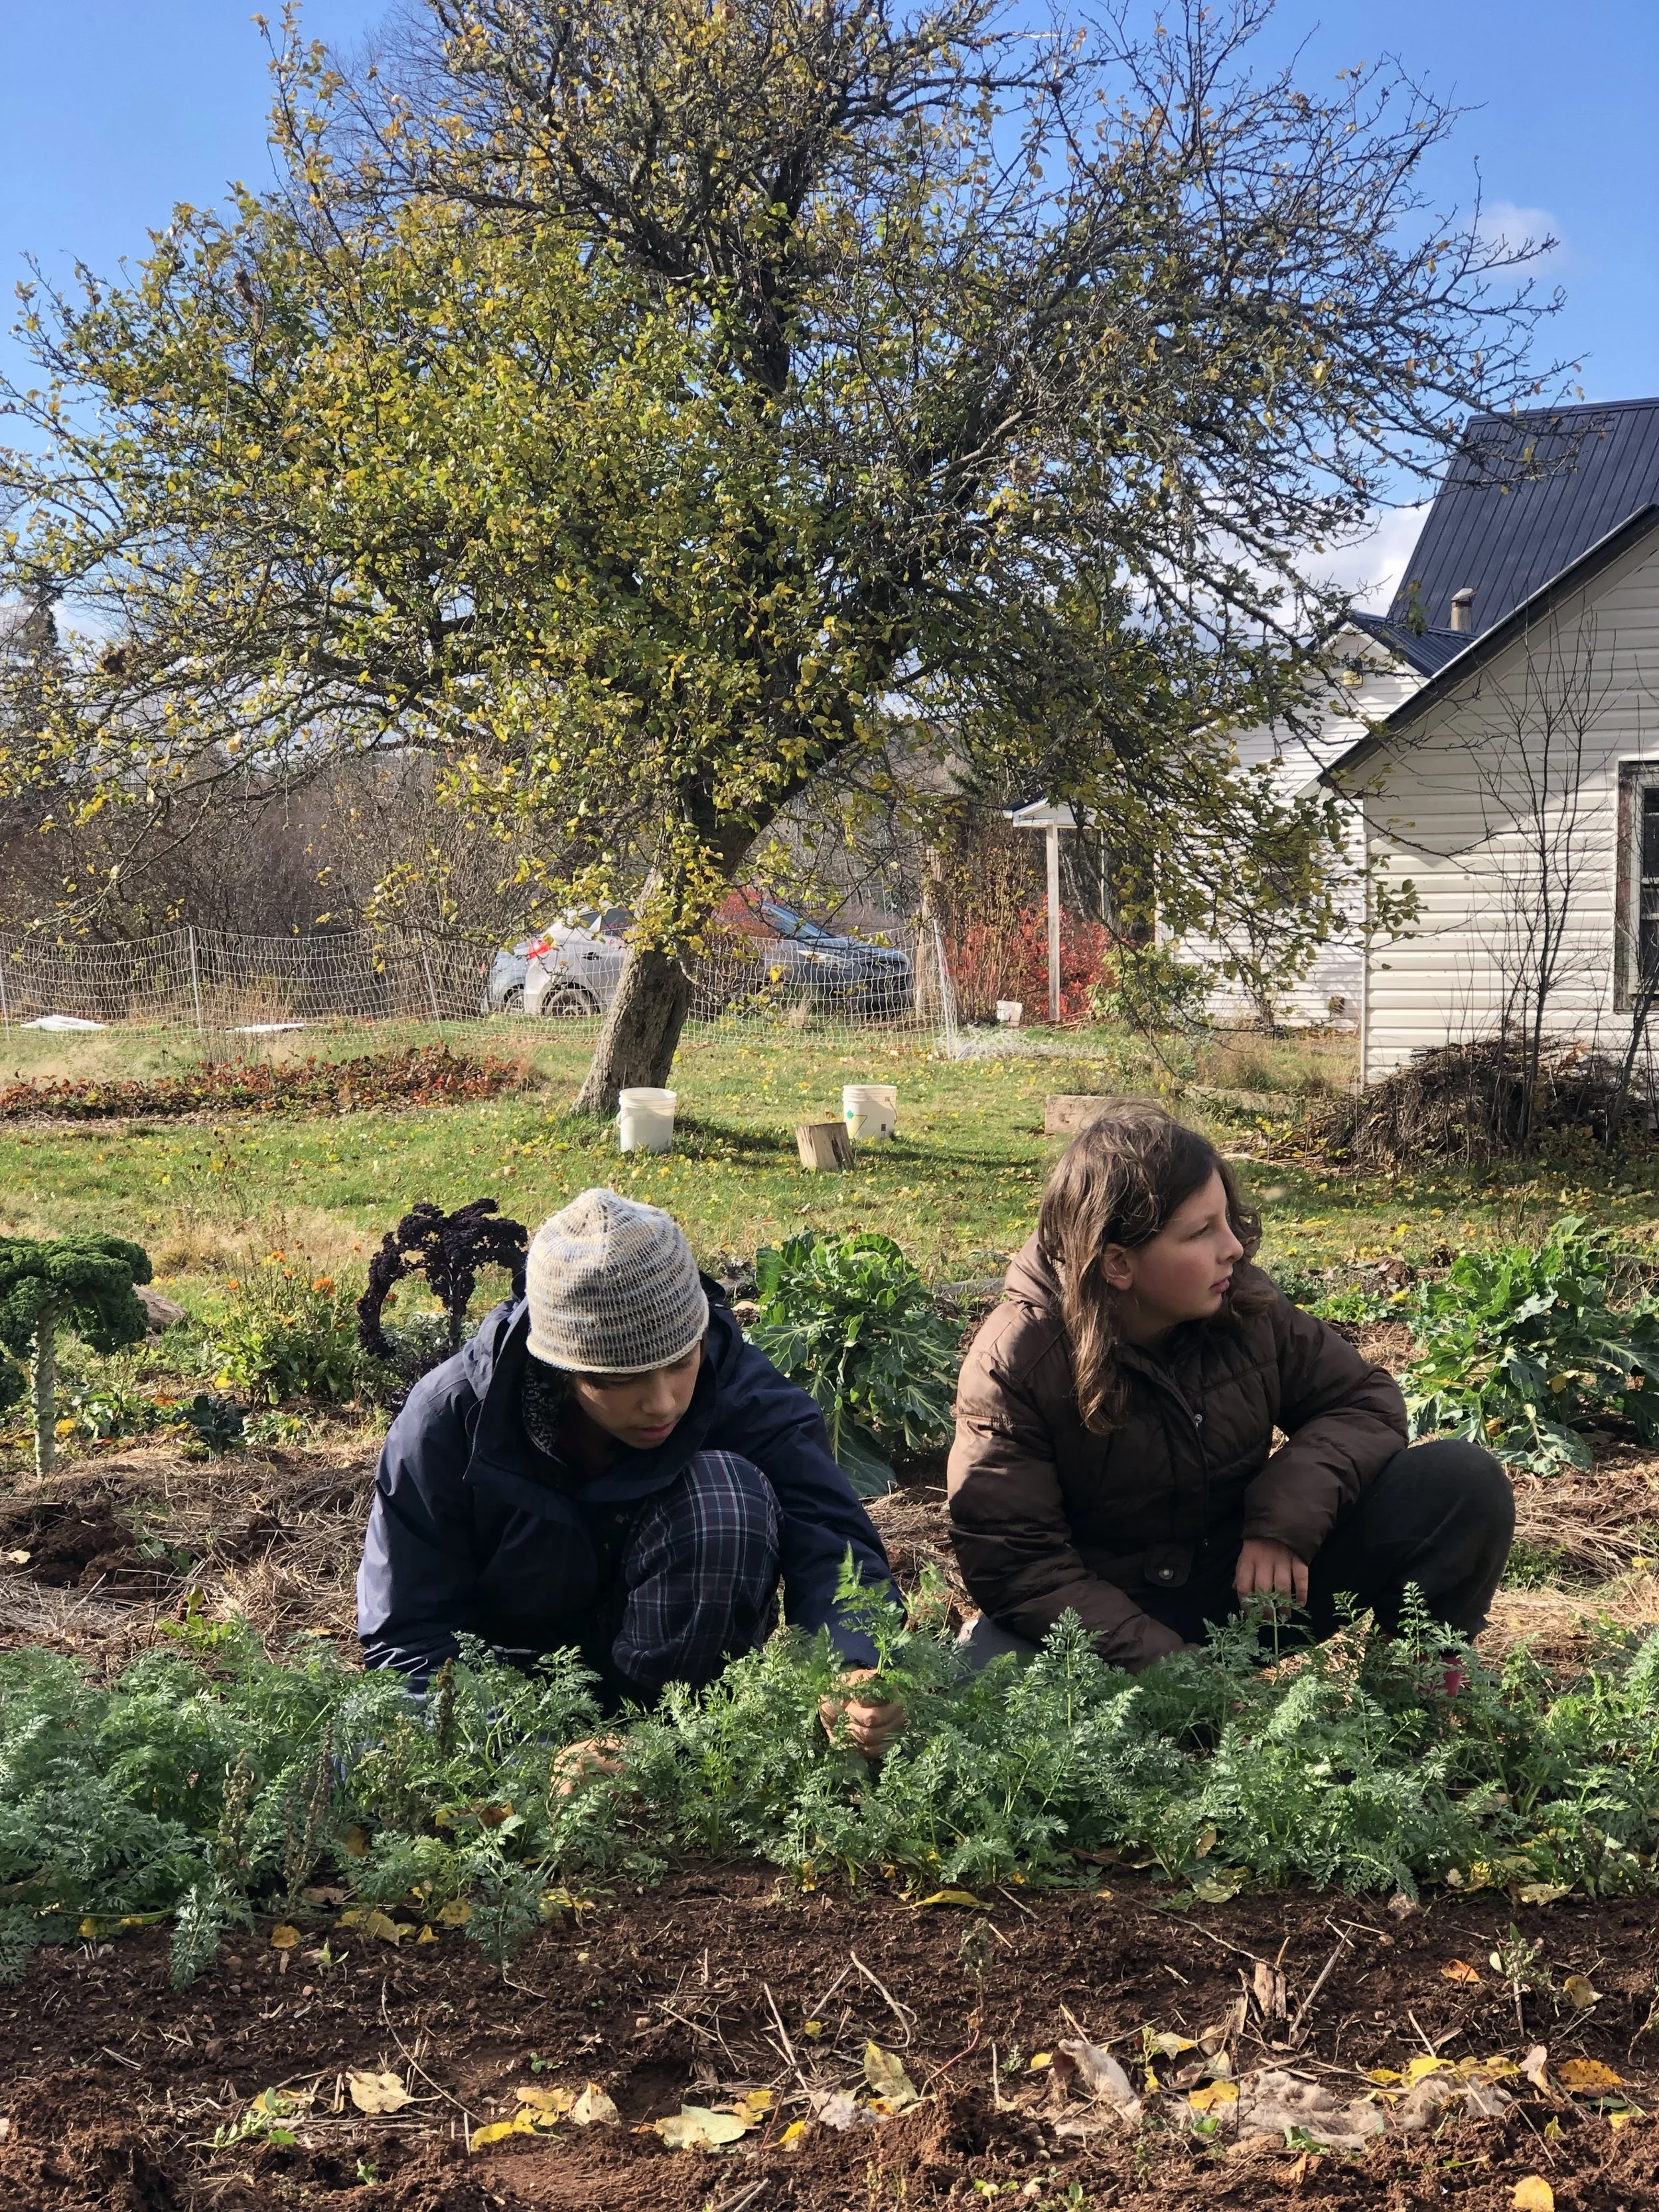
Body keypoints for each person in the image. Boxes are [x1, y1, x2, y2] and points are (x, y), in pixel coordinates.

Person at [948, 1104, 1513, 1671]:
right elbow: (1021, 1566)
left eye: (1226, 1220)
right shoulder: (1013, 1362)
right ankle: (1175, 1723)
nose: (1234, 1248)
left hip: (1252, 1593)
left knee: (1462, 1483)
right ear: (1118, 1264)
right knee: (982, 1677)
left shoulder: (1241, 1304)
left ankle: (1408, 1693)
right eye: (1201, 1232)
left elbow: (1364, 1401)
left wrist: (1283, 1524)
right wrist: (1175, 1674)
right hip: (1108, 1619)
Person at [358, 1187, 904, 1755]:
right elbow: (409, 1635)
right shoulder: (449, 1420)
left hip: (672, 1683)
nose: (663, 1402)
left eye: (681, 1362)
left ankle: (672, 1753)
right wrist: (526, 1749)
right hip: (513, 1690)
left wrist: (854, 1662)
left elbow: (830, 1535)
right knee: (358, 1748)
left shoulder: (736, 1383)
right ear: (560, 1369)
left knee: (726, 1503)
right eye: (619, 1380)